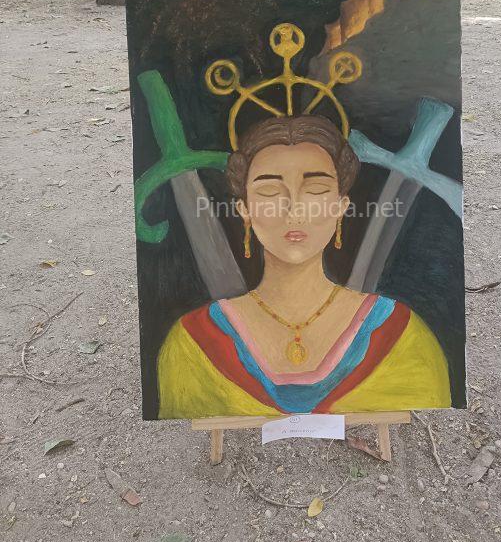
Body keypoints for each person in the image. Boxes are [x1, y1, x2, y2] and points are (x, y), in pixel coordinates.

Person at [157, 113, 451, 418]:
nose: (293, 208)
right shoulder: (192, 344)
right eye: (270, 191)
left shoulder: (403, 337)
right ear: (244, 209)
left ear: (341, 207)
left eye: (316, 189)